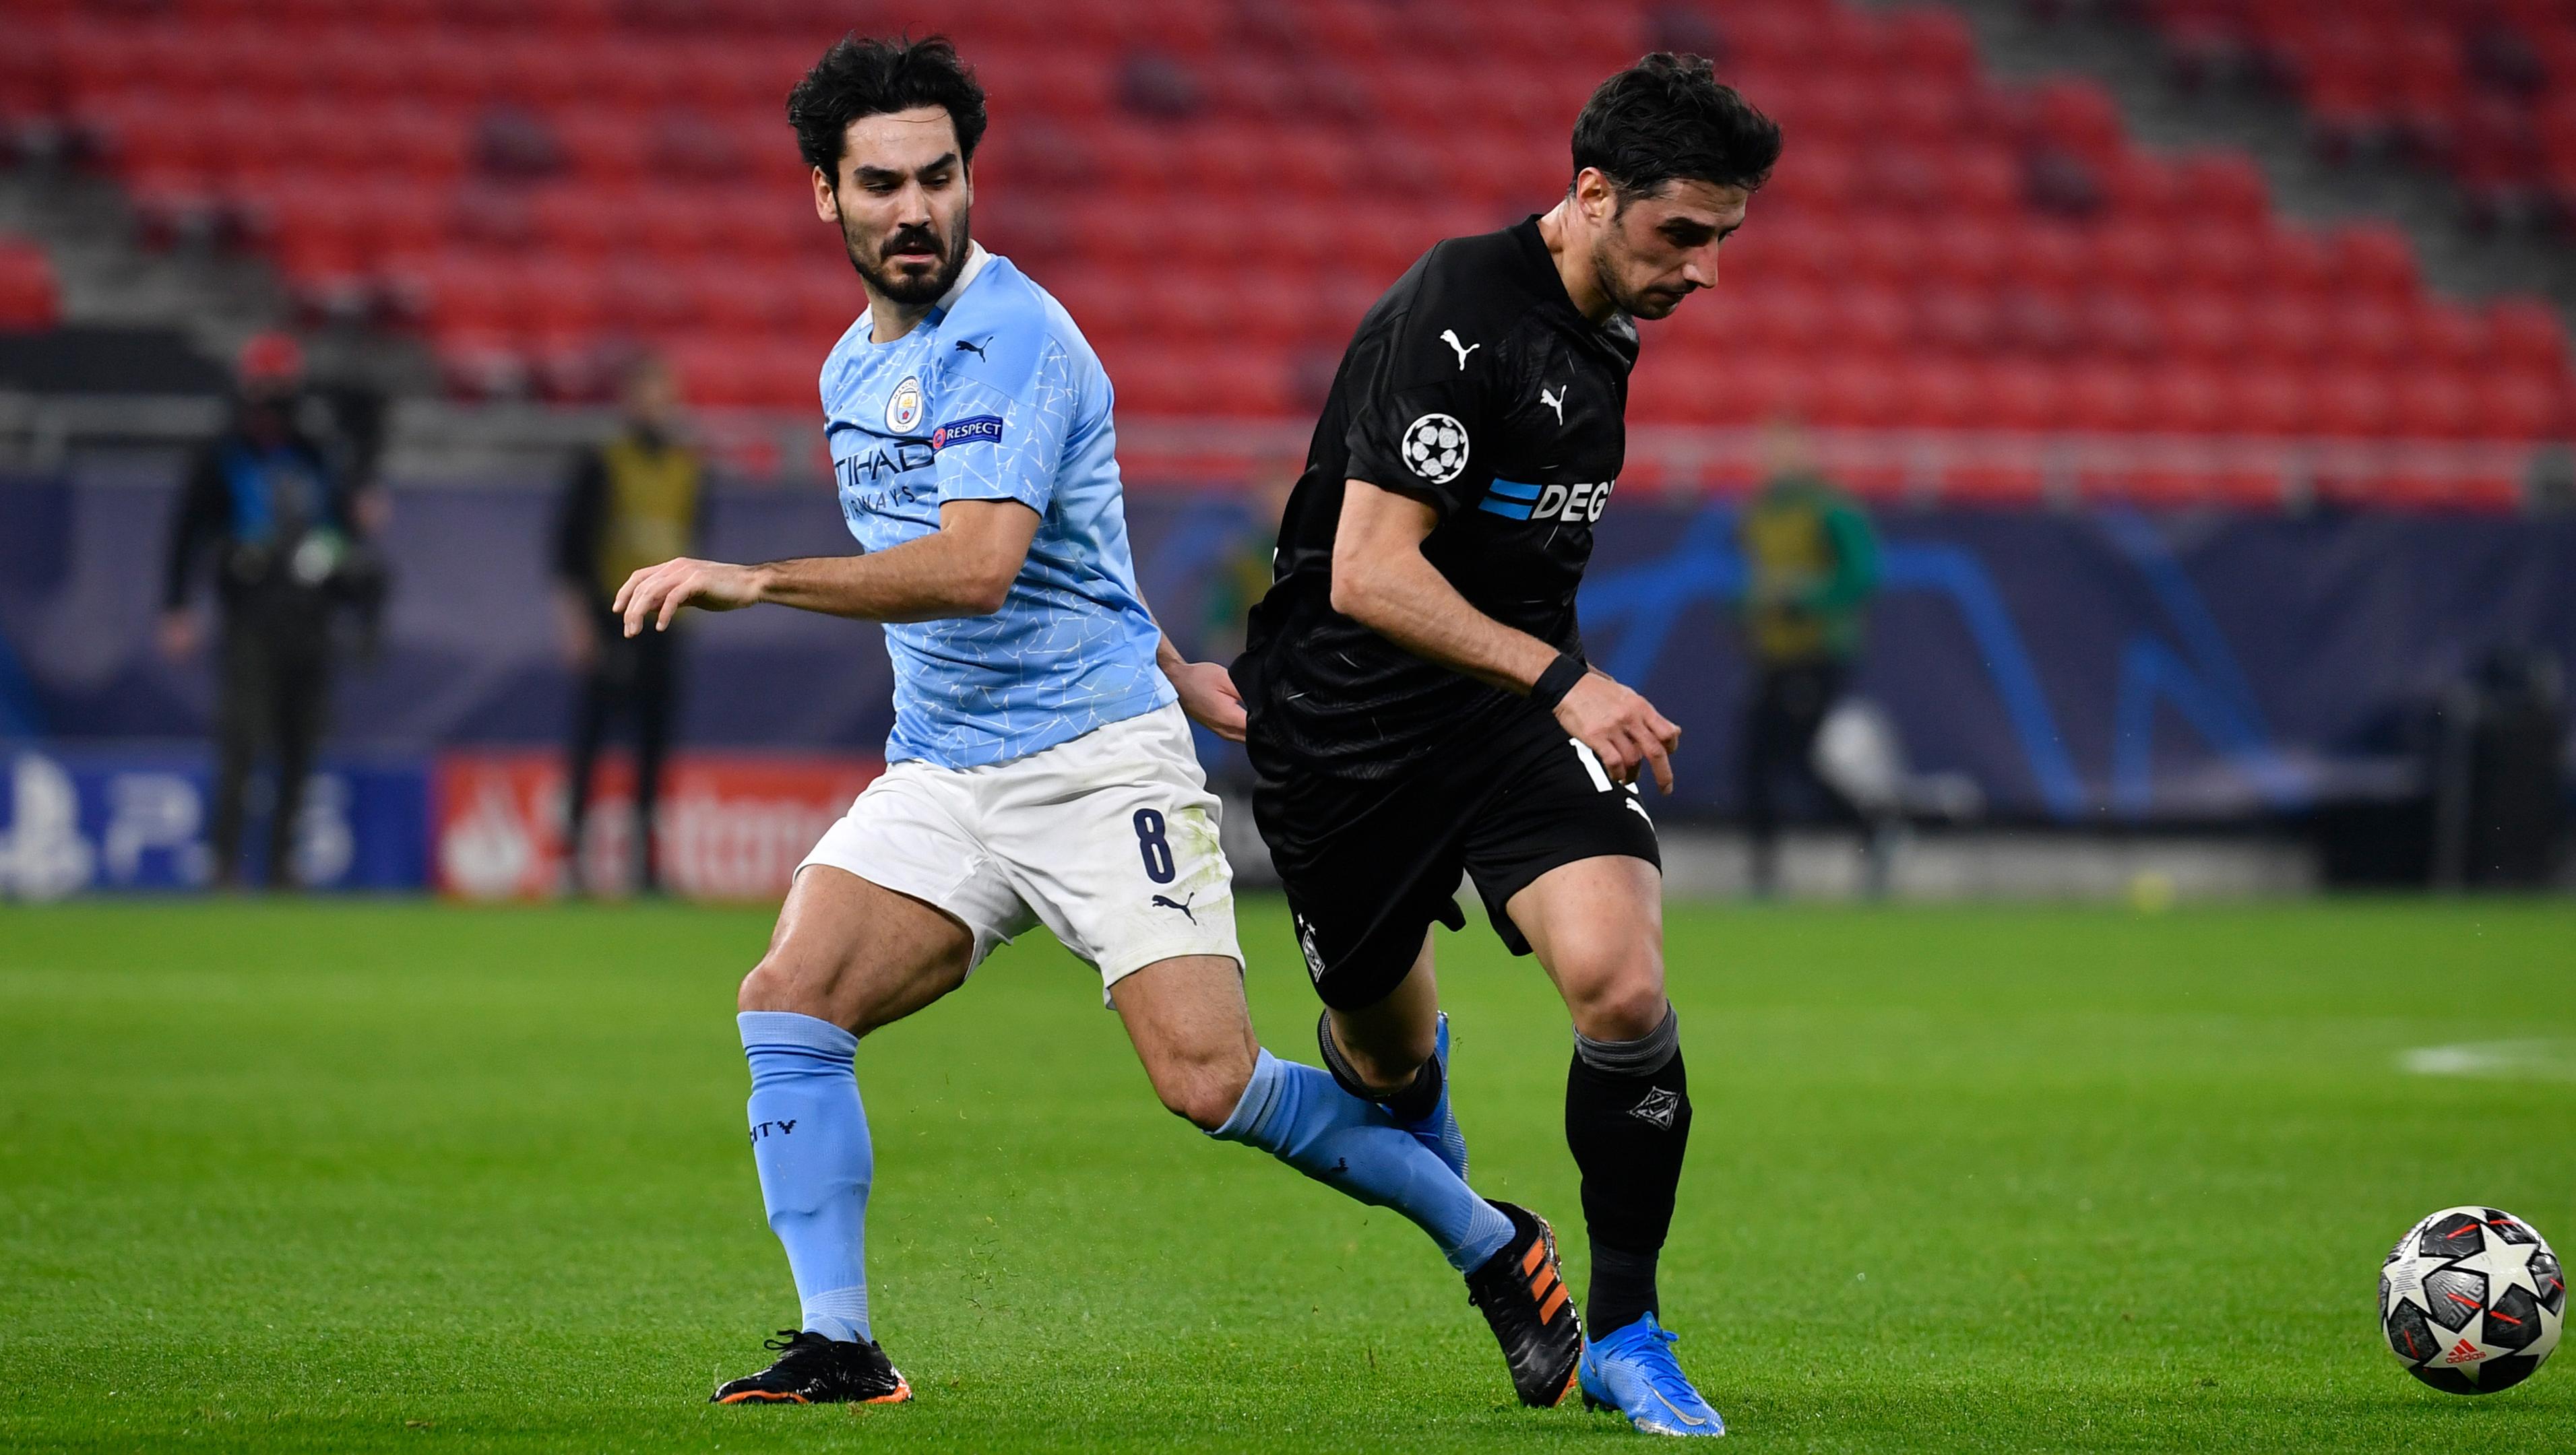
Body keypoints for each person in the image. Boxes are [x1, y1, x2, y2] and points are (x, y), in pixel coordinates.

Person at [612, 36, 1577, 1411]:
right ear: (824, 194)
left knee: (1209, 1082)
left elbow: (978, 566)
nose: (916, 210)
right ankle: (841, 1344)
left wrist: (755, 579)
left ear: (968, 178)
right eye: (881, 184)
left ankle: (1492, 1242)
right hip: (943, 770)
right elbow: (1074, 546)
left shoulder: (1014, 336)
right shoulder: (849, 368)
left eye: (939, 177)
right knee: (788, 999)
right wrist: (1175, 658)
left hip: (1093, 766)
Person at [1230, 55, 1782, 1437]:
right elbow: (1369, 572)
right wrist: (1566, 679)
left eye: (1724, 237)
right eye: (1682, 234)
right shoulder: (1458, 314)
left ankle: (1628, 1335)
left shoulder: (1611, 320)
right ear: (1592, 195)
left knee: (1622, 989)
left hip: (1506, 715)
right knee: (1383, 1068)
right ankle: (1462, 1191)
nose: (1706, 270)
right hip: (1347, 731)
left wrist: (1548, 687)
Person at [158, 331, 384, 890]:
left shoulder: (319, 451)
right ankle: (224, 862)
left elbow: (345, 529)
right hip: (251, 613)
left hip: (310, 611)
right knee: (242, 738)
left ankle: (283, 863)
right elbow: (188, 531)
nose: (273, 402)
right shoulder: (223, 454)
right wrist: (177, 604)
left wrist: (352, 525)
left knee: (301, 742)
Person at [552, 354, 703, 895]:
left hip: (666, 625)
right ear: (629, 400)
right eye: (648, 395)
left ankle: (646, 868)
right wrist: (578, 622)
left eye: (665, 395)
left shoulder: (688, 468)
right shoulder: (602, 463)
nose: (658, 407)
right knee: (591, 742)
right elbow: (569, 550)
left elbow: (694, 545)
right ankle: (572, 863)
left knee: (654, 749)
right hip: (611, 619)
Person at [1735, 419, 1883, 896]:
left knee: (1795, 758)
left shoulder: (1830, 509)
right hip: (1773, 653)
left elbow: (1862, 574)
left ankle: (1871, 829)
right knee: (1755, 760)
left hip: (1816, 652)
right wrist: (1747, 609)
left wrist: (1808, 599)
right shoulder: (1759, 511)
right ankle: (1763, 871)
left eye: (1788, 449)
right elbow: (1756, 577)